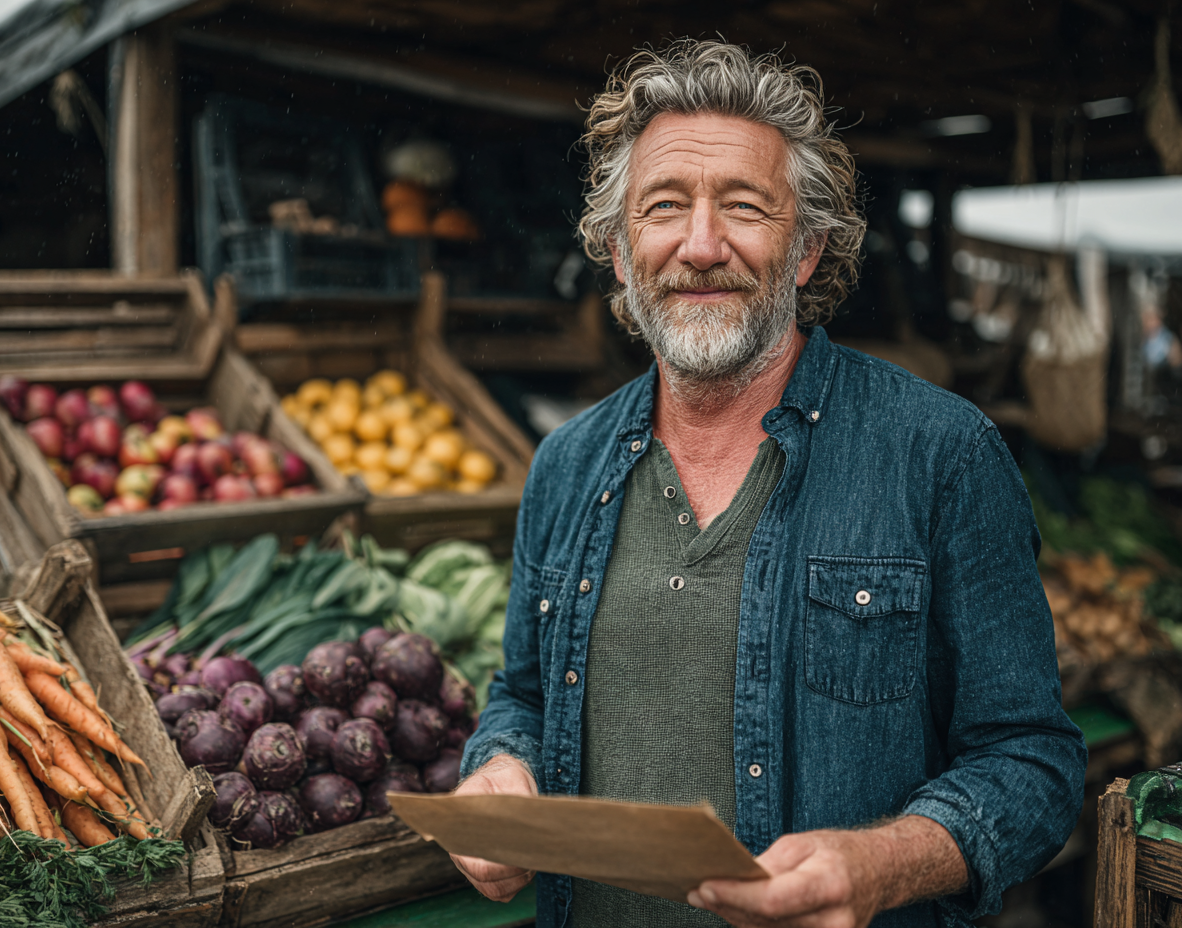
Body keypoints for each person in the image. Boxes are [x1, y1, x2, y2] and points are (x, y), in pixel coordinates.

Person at [452, 39, 1087, 928]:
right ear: (620, 251)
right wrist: (502, 770)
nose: (701, 245)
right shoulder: (567, 464)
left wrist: (882, 862)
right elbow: (518, 693)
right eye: (664, 207)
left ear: (807, 250)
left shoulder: (941, 453)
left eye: (745, 207)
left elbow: (1033, 763)